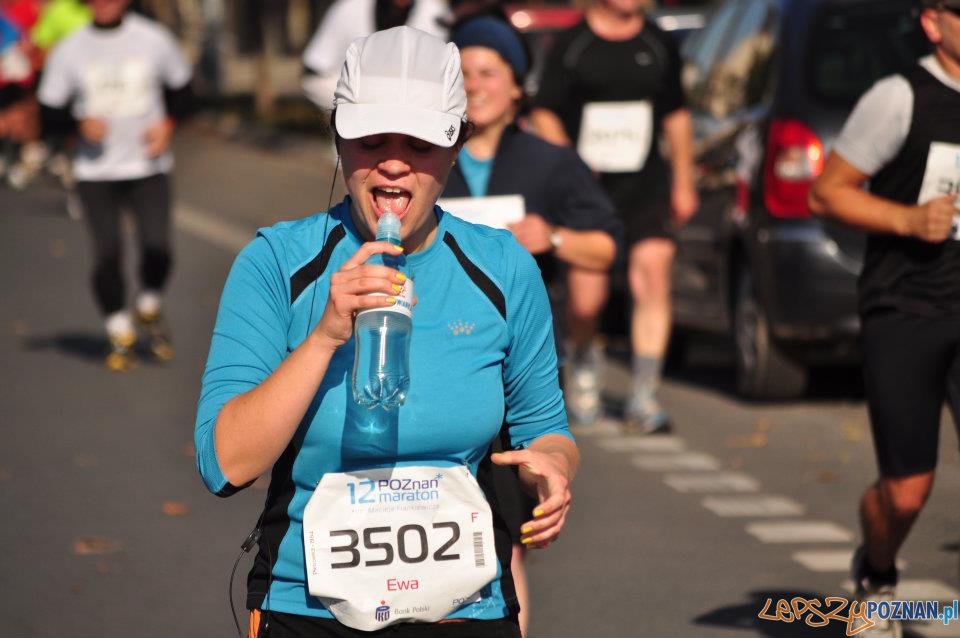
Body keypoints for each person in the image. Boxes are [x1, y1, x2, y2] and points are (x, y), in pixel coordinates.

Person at [195, 26, 578, 638]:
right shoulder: (276, 262)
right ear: (338, 141)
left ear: (456, 146)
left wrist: (552, 470)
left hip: (467, 610)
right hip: (308, 611)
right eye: (371, 140)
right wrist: (324, 337)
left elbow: (547, 430)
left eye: (421, 144)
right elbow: (225, 464)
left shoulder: (504, 266)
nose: (394, 163)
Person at [441, 16, 619, 635]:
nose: (474, 85)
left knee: (504, 541)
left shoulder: (550, 162)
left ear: (518, 86)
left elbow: (606, 246)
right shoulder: (424, 162)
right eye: (462, 73)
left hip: (515, 367)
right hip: (435, 364)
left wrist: (554, 237)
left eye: (489, 72)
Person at [808, 2, 960, 635]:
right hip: (908, 307)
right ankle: (877, 572)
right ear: (934, 22)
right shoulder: (900, 97)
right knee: (906, 491)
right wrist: (908, 219)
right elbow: (826, 192)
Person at [529, 0, 697, 432]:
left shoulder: (658, 43)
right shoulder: (574, 44)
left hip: (646, 186)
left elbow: (676, 114)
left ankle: (644, 394)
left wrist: (684, 180)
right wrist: (571, 163)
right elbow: (544, 111)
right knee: (587, 298)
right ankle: (584, 363)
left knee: (652, 275)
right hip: (588, 191)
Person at [37, 0, 193, 371]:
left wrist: (167, 125)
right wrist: (78, 124)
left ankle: (148, 304)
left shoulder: (152, 38)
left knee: (158, 248)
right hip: (96, 172)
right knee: (108, 254)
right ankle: (119, 328)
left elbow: (186, 92)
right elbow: (48, 111)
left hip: (147, 166)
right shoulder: (71, 48)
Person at [301, 0, 450, 111]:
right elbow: (312, 72)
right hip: (353, 99)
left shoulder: (435, 13)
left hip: (414, 103)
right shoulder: (350, 8)